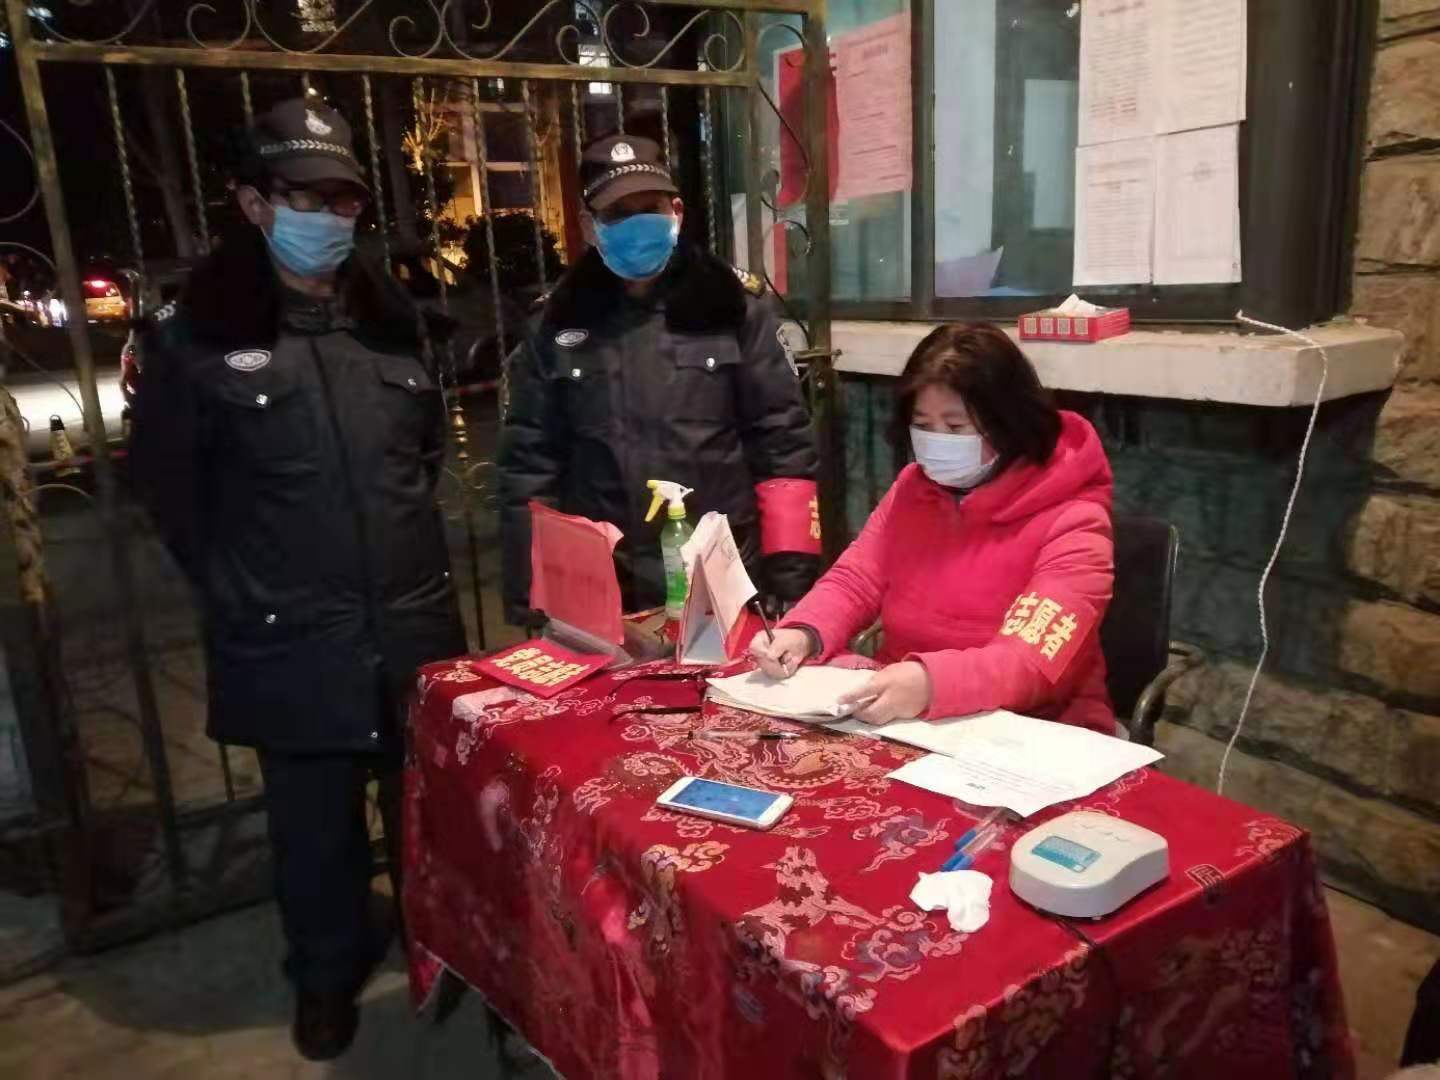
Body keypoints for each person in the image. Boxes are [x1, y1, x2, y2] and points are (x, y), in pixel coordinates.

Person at [130, 97, 466, 1061]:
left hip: (410, 627)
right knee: (314, 837)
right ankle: (324, 979)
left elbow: (422, 461)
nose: (328, 216)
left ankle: (439, 947)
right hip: (289, 636)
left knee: (424, 816)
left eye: (343, 199)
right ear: (253, 202)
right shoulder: (194, 338)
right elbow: (173, 496)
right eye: (305, 197)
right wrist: (250, 592)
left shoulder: (392, 326)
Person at [498, 133, 819, 624]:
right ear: (588, 226)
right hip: (605, 579)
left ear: (676, 212)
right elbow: (529, 466)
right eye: (618, 213)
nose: (636, 224)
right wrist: (533, 597)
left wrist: (791, 575)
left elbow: (783, 441)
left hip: (722, 569)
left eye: (649, 208)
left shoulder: (730, 306)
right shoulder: (557, 322)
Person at [751, 322, 1116, 732]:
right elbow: (856, 580)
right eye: (923, 425)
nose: (937, 440)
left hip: (1035, 729)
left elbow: (1030, 662)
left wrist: (931, 684)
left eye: (956, 427)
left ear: (1009, 423)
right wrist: (804, 633)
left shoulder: (1073, 519)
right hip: (907, 719)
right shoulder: (913, 489)